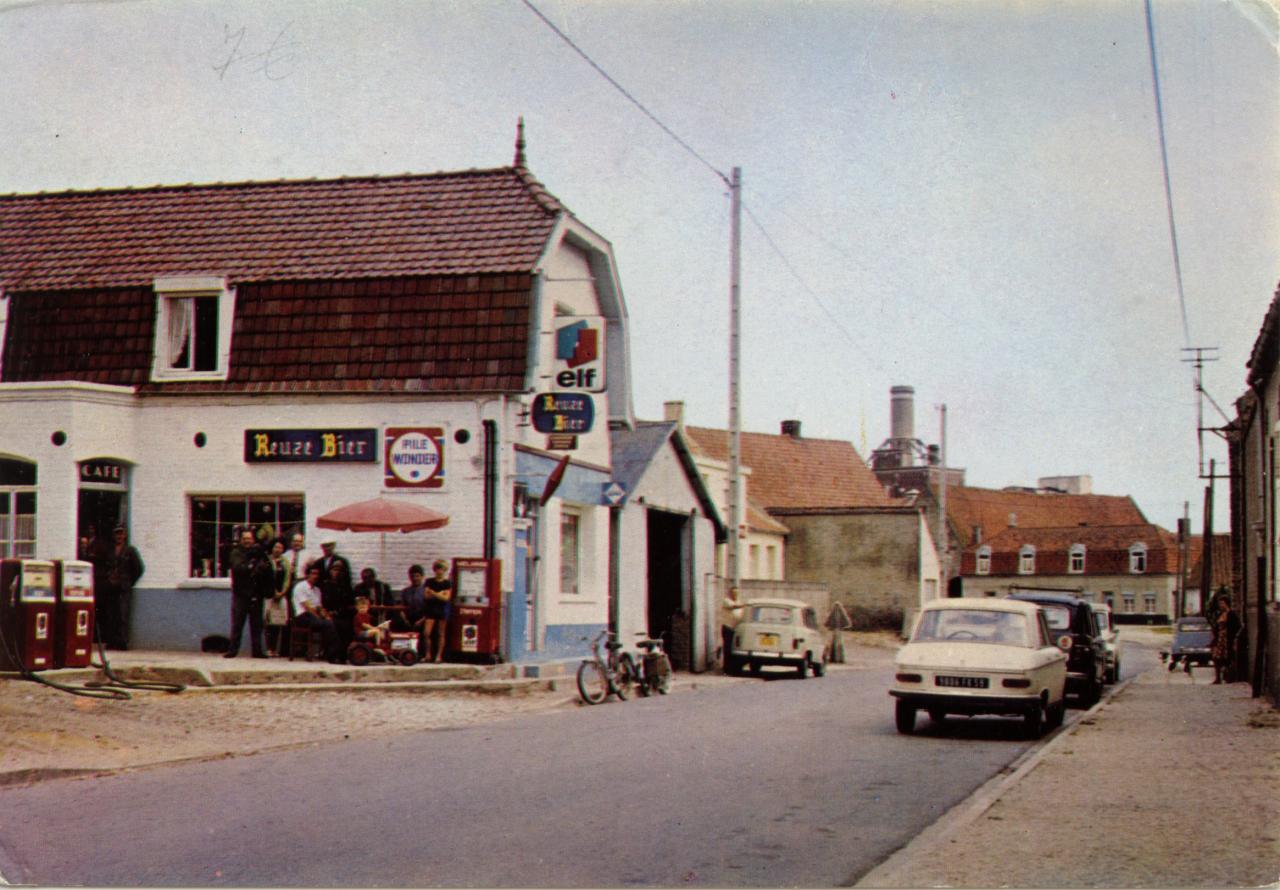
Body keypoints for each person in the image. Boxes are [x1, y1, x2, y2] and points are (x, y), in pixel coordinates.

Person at [226, 530, 272, 658]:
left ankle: (257, 651)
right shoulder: (236, 553)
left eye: (249, 538)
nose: (247, 541)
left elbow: (267, 569)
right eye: (245, 538)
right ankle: (232, 651)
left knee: (257, 625)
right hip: (241, 594)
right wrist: (252, 565)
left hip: (256, 594)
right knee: (237, 623)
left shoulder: (260, 553)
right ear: (241, 540)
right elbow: (238, 568)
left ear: (253, 540)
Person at [98, 526, 145, 650]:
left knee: (122, 614)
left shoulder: (130, 551)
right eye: (116, 534)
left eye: (121, 534)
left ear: (125, 536)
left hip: (123, 587)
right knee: (111, 614)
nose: (119, 537)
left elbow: (139, 568)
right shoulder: (109, 550)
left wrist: (129, 582)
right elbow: (104, 566)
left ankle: (122, 642)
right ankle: (111, 641)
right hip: (111, 587)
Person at [290, 564, 341, 662]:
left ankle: (333, 653)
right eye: (313, 573)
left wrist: (326, 616)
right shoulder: (300, 587)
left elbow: (319, 607)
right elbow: (307, 607)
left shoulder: (317, 590)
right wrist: (321, 618)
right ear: (307, 575)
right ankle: (332, 657)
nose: (315, 576)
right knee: (328, 624)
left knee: (333, 623)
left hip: (313, 616)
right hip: (302, 617)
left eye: (317, 574)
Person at [263, 538, 293, 657]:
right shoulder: (267, 561)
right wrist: (273, 591)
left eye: (280, 547)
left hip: (281, 596)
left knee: (279, 620)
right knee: (268, 620)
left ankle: (276, 649)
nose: (278, 549)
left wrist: (282, 592)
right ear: (272, 548)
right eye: (276, 547)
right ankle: (269, 648)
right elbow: (266, 578)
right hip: (269, 595)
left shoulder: (285, 562)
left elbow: (287, 579)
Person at [321, 559, 356, 656]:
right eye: (334, 569)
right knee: (332, 626)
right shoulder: (326, 585)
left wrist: (340, 612)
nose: (336, 572)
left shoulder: (346, 587)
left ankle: (343, 654)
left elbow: (350, 603)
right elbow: (323, 602)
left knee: (346, 625)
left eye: (339, 570)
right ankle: (332, 653)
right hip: (329, 614)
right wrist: (329, 612)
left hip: (343, 614)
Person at [423, 559, 453, 663]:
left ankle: (439, 656)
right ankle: (428, 654)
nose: (439, 571)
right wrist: (440, 594)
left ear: (445, 570)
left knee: (441, 633)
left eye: (442, 569)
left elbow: (446, 598)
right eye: (437, 569)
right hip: (431, 609)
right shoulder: (429, 581)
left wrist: (433, 593)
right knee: (427, 633)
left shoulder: (447, 583)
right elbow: (426, 596)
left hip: (442, 610)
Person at [1210, 591, 1241, 685]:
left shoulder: (1231, 614)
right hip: (1219, 639)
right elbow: (1216, 626)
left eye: (1222, 603)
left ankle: (1229, 677)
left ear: (1226, 603)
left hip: (1227, 640)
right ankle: (1218, 678)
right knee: (1216, 658)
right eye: (1220, 603)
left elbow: (1236, 626)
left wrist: (1233, 638)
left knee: (1227, 659)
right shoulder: (1220, 614)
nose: (1220, 605)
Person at [400, 564, 429, 659]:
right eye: (412, 576)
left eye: (417, 576)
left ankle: (422, 654)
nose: (415, 578)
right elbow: (401, 607)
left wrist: (421, 620)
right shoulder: (405, 591)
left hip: (423, 618)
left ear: (422, 576)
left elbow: (430, 609)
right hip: (408, 618)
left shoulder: (426, 591)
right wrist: (404, 619)